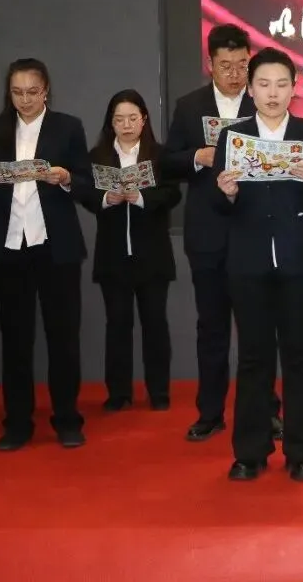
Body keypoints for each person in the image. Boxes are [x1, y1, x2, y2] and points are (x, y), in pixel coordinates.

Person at [213, 48, 303, 482]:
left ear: (294, 88)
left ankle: (302, 453)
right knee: (253, 357)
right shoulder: (233, 137)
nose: (273, 93)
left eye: (281, 84)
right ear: (250, 88)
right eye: (263, 84)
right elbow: (218, 205)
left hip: (300, 259)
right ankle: (250, 451)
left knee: (299, 356)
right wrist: (227, 192)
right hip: (248, 261)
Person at [164, 24, 281, 442]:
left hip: (255, 229)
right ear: (210, 64)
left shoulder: (263, 102)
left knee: (259, 329)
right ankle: (210, 412)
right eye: (225, 65)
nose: (234, 73)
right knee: (212, 327)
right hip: (208, 233)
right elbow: (167, 160)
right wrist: (198, 156)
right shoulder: (189, 105)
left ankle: (266, 411)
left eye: (242, 64)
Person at [0, 58, 91, 451]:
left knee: (64, 338)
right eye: (17, 92)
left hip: (56, 246)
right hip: (10, 247)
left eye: (32, 92)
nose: (24, 100)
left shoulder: (67, 127)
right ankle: (17, 423)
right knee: (15, 341)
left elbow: (87, 183)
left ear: (46, 91)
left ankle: (67, 419)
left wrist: (67, 178)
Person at [83, 90, 180, 412]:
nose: (126, 125)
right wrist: (104, 199)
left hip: (152, 255)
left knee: (155, 324)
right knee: (117, 325)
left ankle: (159, 392)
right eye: (119, 119)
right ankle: (119, 392)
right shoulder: (97, 156)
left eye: (132, 118)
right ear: (110, 123)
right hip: (112, 256)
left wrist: (141, 198)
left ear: (144, 120)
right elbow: (84, 193)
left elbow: (172, 194)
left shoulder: (160, 155)